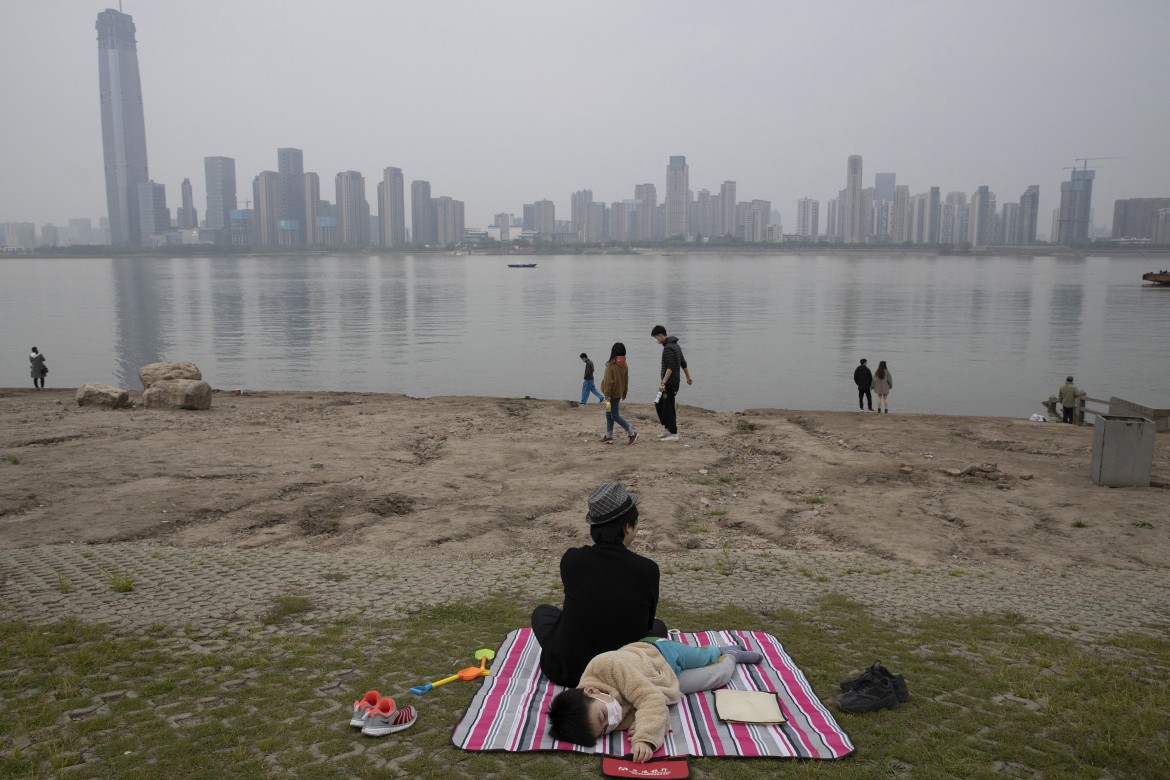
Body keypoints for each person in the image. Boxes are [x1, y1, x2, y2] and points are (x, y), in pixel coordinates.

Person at [531, 482, 667, 688]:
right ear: (627, 527)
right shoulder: (647, 569)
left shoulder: (571, 560)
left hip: (568, 671)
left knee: (543, 613)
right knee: (659, 627)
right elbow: (646, 625)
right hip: (622, 672)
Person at [547, 638, 763, 762]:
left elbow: (650, 700)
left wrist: (645, 737)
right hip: (664, 682)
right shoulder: (602, 712)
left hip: (661, 654)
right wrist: (638, 720)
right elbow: (647, 709)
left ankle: (720, 649)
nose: (612, 722)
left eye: (603, 716)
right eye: (605, 729)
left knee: (702, 657)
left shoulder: (607, 664)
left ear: (592, 691)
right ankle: (733, 657)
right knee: (716, 677)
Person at [650, 325, 692, 442]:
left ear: (660, 335)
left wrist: (663, 383)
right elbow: (683, 363)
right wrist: (688, 377)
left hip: (669, 383)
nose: (656, 340)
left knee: (668, 407)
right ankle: (668, 428)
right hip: (673, 382)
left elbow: (670, 367)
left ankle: (673, 433)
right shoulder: (676, 345)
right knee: (659, 404)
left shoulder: (668, 348)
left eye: (656, 338)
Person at [599, 343, 637, 445]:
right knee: (608, 414)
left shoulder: (611, 366)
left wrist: (607, 396)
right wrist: (624, 392)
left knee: (614, 415)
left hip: (610, 396)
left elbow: (608, 382)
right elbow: (626, 380)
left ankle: (632, 433)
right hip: (618, 394)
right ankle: (609, 436)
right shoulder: (625, 365)